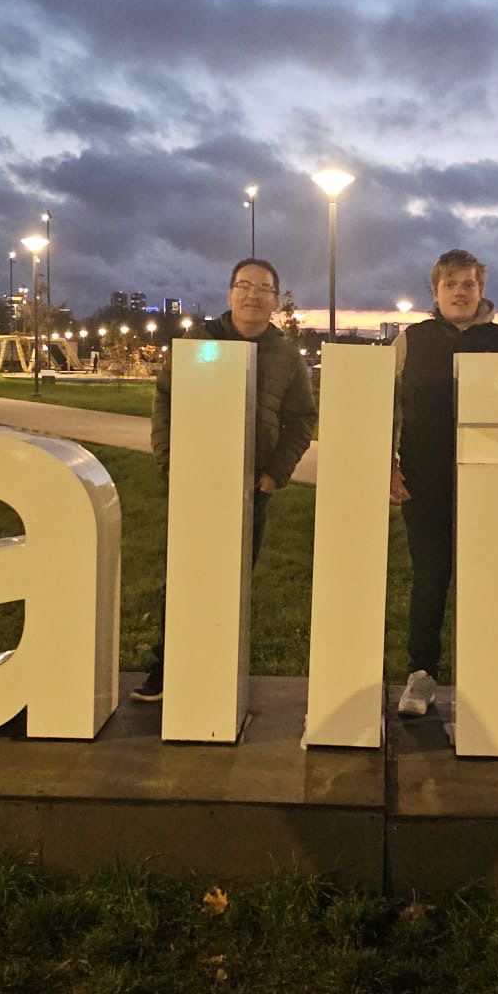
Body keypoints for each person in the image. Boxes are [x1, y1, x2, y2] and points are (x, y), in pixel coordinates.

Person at [132, 257, 316, 702]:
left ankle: (216, 666)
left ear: (276, 300)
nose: (253, 295)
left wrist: (274, 476)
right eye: (244, 285)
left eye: (263, 288)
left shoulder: (287, 355)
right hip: (196, 482)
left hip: (252, 487)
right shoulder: (198, 342)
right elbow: (165, 402)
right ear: (230, 292)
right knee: (183, 576)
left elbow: (303, 420)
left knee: (234, 578)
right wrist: (171, 462)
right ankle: (167, 666)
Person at [389, 249, 498, 717]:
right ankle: (421, 673)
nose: (461, 291)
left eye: (469, 284)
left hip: (490, 485)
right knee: (430, 579)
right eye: (451, 284)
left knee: (487, 581)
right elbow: (384, 406)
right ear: (435, 292)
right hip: (424, 480)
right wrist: (386, 463)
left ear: (481, 290)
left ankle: (486, 674)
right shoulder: (410, 342)